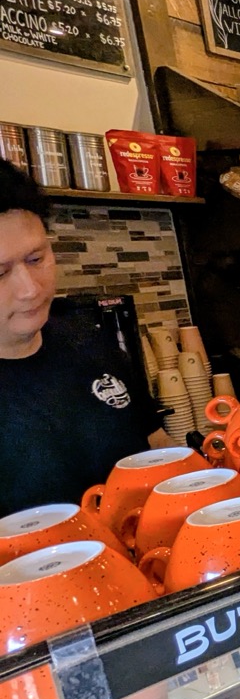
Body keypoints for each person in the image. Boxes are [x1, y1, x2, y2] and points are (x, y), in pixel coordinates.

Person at [0, 160, 166, 517]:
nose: (30, 289)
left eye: (36, 258)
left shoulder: (87, 341)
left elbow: (156, 444)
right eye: (0, 273)